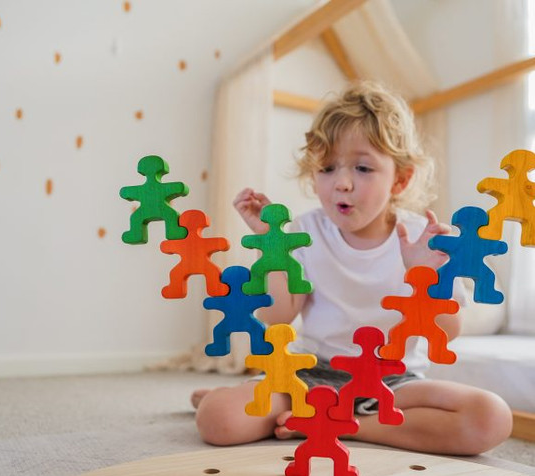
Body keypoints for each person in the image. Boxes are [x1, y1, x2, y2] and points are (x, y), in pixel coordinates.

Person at [192, 80, 513, 455]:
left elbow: (446, 334)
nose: (342, 183)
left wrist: (420, 276)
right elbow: (277, 315)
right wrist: (271, 245)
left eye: (362, 168)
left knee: (491, 417)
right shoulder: (303, 231)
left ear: (401, 179)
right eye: (327, 168)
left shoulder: (423, 238)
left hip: (393, 382)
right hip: (312, 375)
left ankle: (351, 428)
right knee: (218, 419)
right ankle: (303, 411)